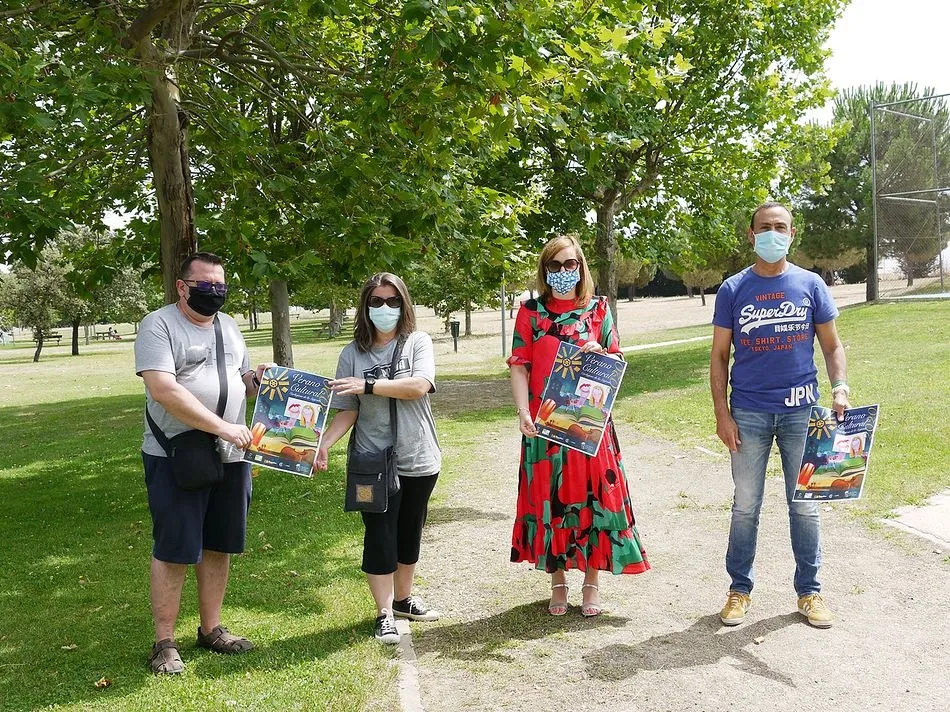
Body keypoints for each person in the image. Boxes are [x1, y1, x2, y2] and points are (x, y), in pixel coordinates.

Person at [710, 202, 851, 629]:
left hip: (803, 414)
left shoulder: (811, 284)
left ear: (792, 234)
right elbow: (718, 356)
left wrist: (840, 387)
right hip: (748, 413)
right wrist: (722, 413)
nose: (774, 233)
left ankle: (809, 593)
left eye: (781, 227)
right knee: (746, 506)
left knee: (805, 506)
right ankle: (739, 590)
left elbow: (832, 346)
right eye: (765, 227)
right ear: (751, 235)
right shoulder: (732, 289)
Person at [134, 252, 271, 674]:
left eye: (221, 287)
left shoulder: (229, 327)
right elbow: (164, 391)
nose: (215, 293)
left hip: (232, 453)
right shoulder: (157, 325)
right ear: (182, 287)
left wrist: (259, 380)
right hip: (179, 454)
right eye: (206, 286)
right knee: (176, 548)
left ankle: (211, 629)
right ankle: (164, 641)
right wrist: (222, 427)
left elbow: (241, 383)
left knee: (219, 543)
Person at [507, 235, 649, 618]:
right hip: (543, 422)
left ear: (582, 267)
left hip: (588, 424)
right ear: (545, 270)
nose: (564, 272)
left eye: (571, 264)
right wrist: (522, 411)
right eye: (555, 265)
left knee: (591, 501)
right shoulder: (530, 312)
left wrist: (601, 353)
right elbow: (519, 364)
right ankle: (557, 583)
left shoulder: (599, 310)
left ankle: (590, 582)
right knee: (550, 500)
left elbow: (617, 359)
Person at [315, 273, 442, 645]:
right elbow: (346, 409)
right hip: (370, 462)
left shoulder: (417, 342)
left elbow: (419, 386)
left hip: (418, 457)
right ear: (365, 307)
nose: (384, 309)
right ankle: (384, 613)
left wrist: (368, 384)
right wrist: (324, 443)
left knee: (409, 533)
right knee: (379, 535)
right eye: (376, 302)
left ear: (403, 305)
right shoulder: (352, 353)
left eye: (392, 301)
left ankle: (403, 600)